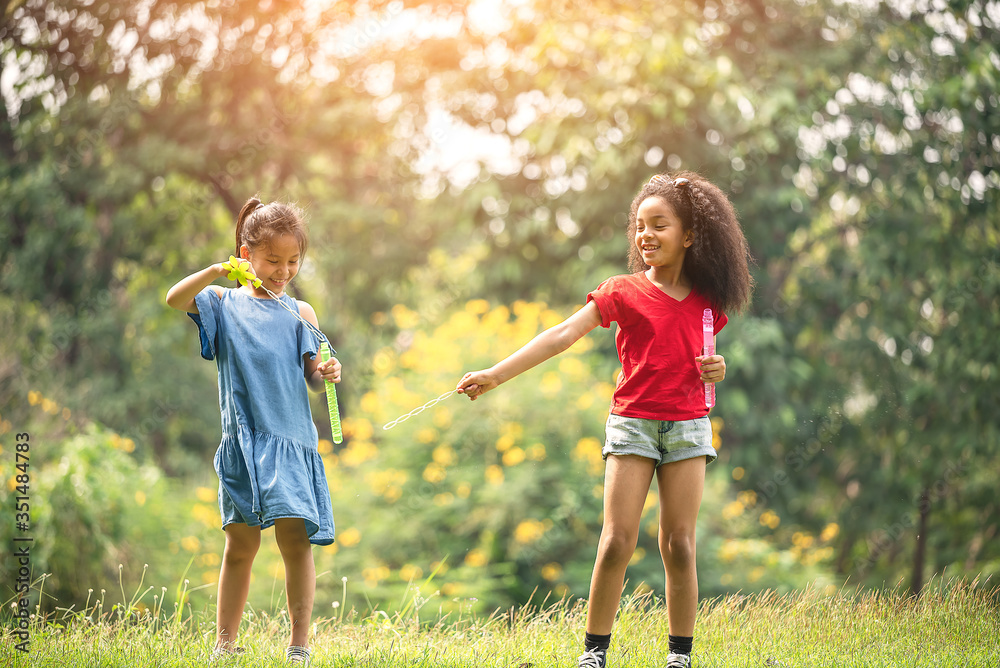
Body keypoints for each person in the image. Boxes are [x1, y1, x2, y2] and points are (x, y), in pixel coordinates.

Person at [457, 172, 753, 668]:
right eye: (640, 226)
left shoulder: (708, 302)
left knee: (679, 545)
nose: (645, 236)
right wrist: (496, 374)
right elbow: (562, 334)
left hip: (687, 427)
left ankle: (679, 657)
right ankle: (594, 654)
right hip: (633, 423)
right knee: (617, 540)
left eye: (659, 225)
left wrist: (719, 368)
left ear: (690, 235)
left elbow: (705, 361)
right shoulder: (623, 291)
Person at [166, 196, 341, 666]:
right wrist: (215, 272)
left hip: (291, 444)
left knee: (296, 544)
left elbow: (311, 374)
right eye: (272, 260)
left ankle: (299, 647)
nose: (283, 271)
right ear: (246, 255)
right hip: (242, 443)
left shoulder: (301, 313)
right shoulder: (222, 304)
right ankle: (225, 645)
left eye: (292, 262)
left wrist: (326, 370)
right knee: (240, 546)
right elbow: (174, 298)